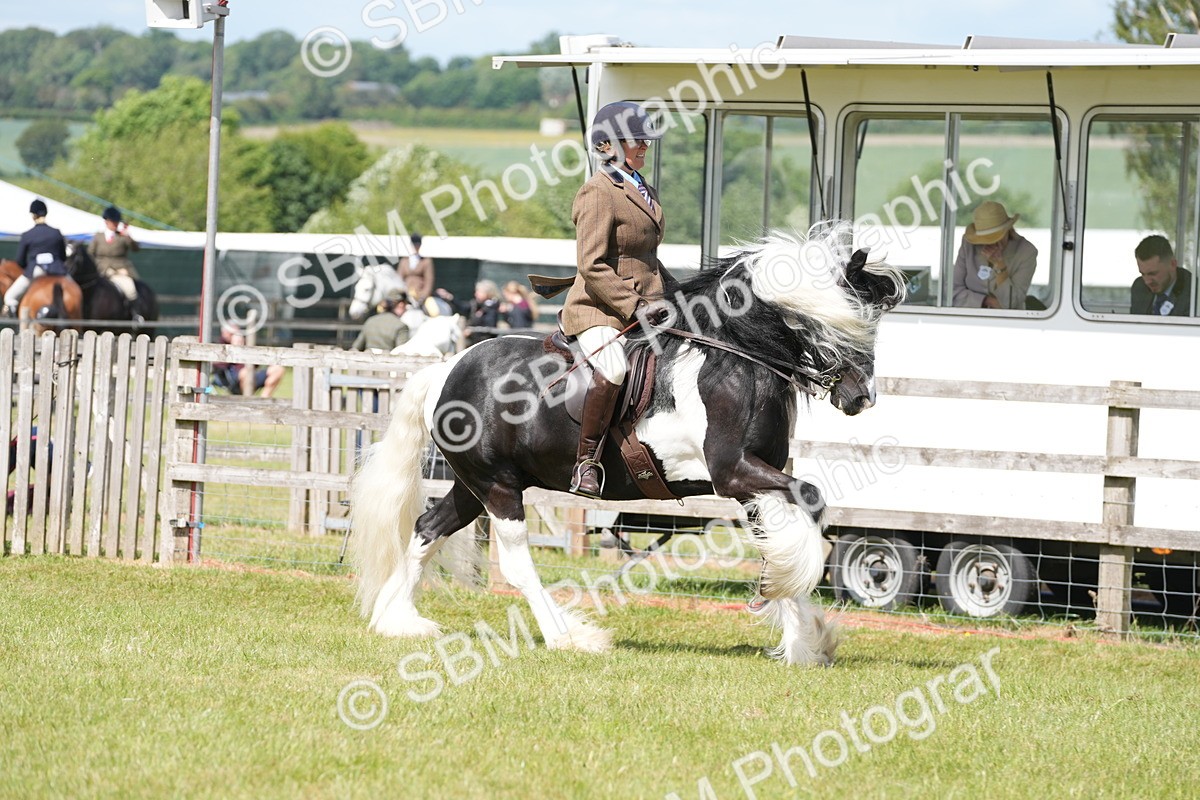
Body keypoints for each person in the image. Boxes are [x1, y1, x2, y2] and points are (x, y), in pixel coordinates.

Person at [536, 101, 674, 497]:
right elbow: (592, 265)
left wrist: (677, 296)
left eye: (646, 140)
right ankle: (587, 463)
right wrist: (637, 307)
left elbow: (645, 259)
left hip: (645, 307)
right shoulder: (597, 192)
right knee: (613, 368)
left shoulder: (641, 188)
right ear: (608, 145)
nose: (645, 146)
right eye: (637, 140)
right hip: (598, 310)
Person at [952, 201, 1038, 309]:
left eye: (996, 238)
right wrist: (986, 301)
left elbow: (1012, 302)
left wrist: (1000, 266)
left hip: (1008, 321)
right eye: (985, 239)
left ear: (1008, 230)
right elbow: (952, 291)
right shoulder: (969, 246)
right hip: (970, 316)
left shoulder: (1026, 252)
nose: (990, 243)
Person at [5, 199, 69, 315]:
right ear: (46, 213)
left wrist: (26, 267)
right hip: (57, 270)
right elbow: (63, 257)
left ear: (33, 215)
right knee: (76, 289)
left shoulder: (28, 235)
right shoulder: (56, 233)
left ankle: (16, 325)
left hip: (36, 271)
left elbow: (20, 260)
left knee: (10, 297)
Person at [212, 325, 285, 398]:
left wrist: (245, 349)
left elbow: (257, 364)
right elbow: (218, 365)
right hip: (234, 378)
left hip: (252, 374)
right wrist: (233, 351)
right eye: (232, 332)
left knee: (277, 369)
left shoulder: (245, 344)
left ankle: (264, 398)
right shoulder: (221, 345)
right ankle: (248, 399)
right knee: (245, 372)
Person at [1129, 234, 1192, 317]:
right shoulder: (1140, 287)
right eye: (1143, 274)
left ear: (1173, 264)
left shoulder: (1192, 291)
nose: (1147, 281)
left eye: (1153, 273)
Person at [87, 206, 140, 302]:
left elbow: (135, 249)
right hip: (100, 269)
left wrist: (128, 236)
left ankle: (135, 314)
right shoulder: (98, 237)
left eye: (117, 221)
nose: (115, 224)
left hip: (119, 270)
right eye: (113, 221)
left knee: (130, 290)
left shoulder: (122, 237)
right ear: (106, 221)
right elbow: (90, 253)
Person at [439, 280, 501, 346]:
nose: (476, 294)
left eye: (479, 291)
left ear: (487, 293)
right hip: (475, 341)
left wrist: (472, 331)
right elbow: (463, 307)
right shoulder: (476, 305)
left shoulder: (491, 308)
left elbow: (488, 326)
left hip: (485, 343)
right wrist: (450, 297)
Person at [399, 232, 435, 308]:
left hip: (420, 294)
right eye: (414, 245)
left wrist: (423, 296)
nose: (416, 247)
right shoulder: (404, 261)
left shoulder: (426, 262)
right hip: (405, 294)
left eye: (417, 245)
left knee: (433, 310)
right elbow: (399, 278)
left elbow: (429, 281)